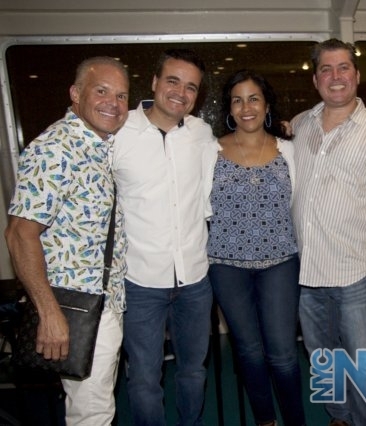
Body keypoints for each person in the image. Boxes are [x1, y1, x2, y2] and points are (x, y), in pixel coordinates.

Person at [290, 38, 366, 426]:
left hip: (354, 271)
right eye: (326, 69)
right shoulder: (300, 125)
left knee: (363, 364)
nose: (335, 76)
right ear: (315, 79)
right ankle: (339, 417)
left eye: (343, 68)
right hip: (306, 271)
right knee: (322, 357)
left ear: (357, 75)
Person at [4, 56, 129, 425]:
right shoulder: (56, 149)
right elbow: (20, 233)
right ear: (76, 93)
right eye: (102, 91)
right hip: (73, 307)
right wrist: (49, 314)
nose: (113, 103)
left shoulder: (101, 147)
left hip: (102, 301)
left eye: (121, 95)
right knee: (92, 413)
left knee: (93, 406)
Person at [112, 49, 216, 425]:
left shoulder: (202, 134)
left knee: (193, 371)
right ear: (155, 82)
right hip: (140, 281)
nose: (180, 93)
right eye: (173, 81)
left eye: (191, 87)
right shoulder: (119, 132)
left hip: (195, 279)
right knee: (144, 379)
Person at [206, 69, 306, 426]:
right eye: (237, 100)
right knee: (248, 350)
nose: (246, 107)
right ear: (229, 108)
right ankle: (266, 420)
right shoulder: (210, 150)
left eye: (253, 99)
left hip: (280, 263)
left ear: (266, 105)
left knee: (282, 352)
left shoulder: (289, 149)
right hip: (226, 265)